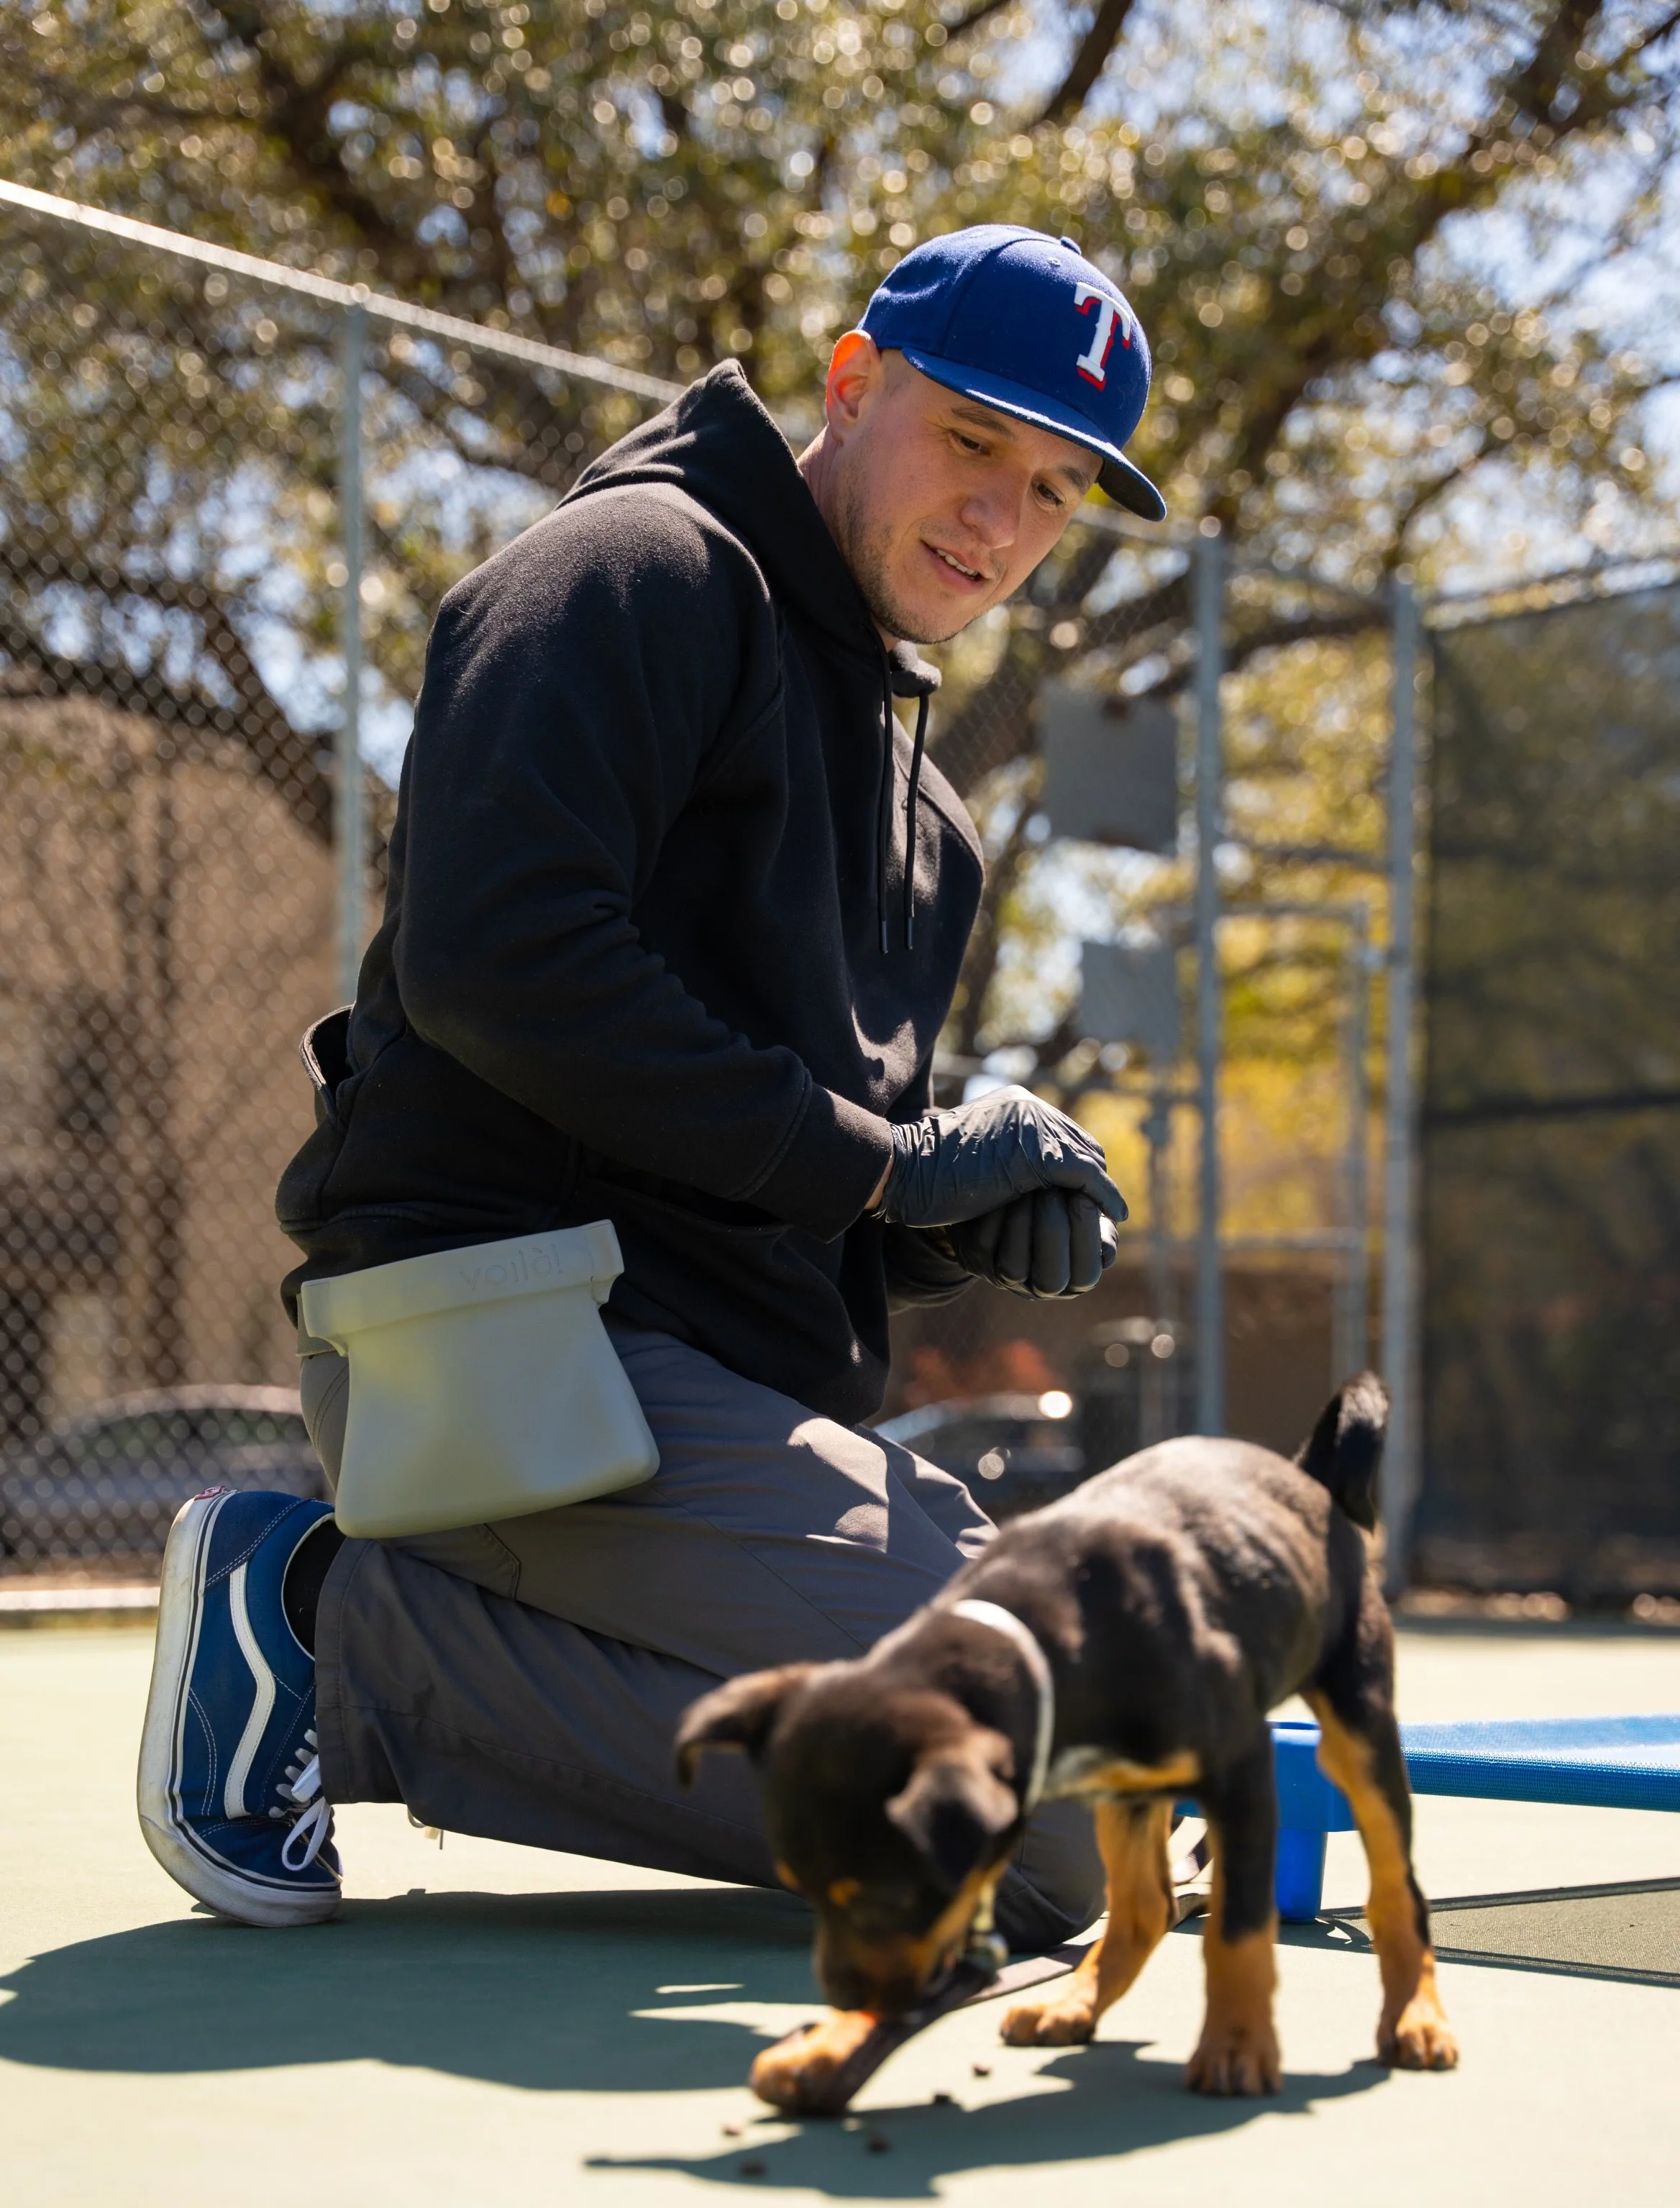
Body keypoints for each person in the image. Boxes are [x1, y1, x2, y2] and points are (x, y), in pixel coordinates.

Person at [135, 224, 1165, 1954]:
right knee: (1019, 1789)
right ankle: (327, 1635)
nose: (1002, 521)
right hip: (510, 1348)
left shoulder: (935, 831)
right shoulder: (639, 568)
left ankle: (374, 1635)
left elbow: (787, 1167)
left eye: (1055, 489)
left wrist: (946, 1217)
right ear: (852, 385)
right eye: (971, 442)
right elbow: (496, 960)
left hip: (718, 1408)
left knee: (1088, 1778)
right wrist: (884, 1173)